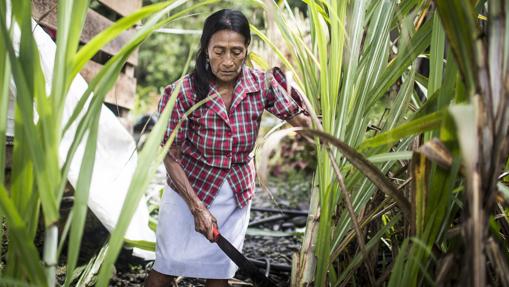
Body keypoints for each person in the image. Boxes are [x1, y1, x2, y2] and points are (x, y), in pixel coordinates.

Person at [144, 9, 311, 287]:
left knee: (219, 274)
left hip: (235, 191)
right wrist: (197, 208)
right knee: (164, 269)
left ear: (246, 50)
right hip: (190, 189)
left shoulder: (263, 85)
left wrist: (312, 115)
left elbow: (301, 122)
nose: (228, 61)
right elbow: (170, 157)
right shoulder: (183, 92)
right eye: (219, 51)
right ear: (206, 49)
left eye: (236, 51)